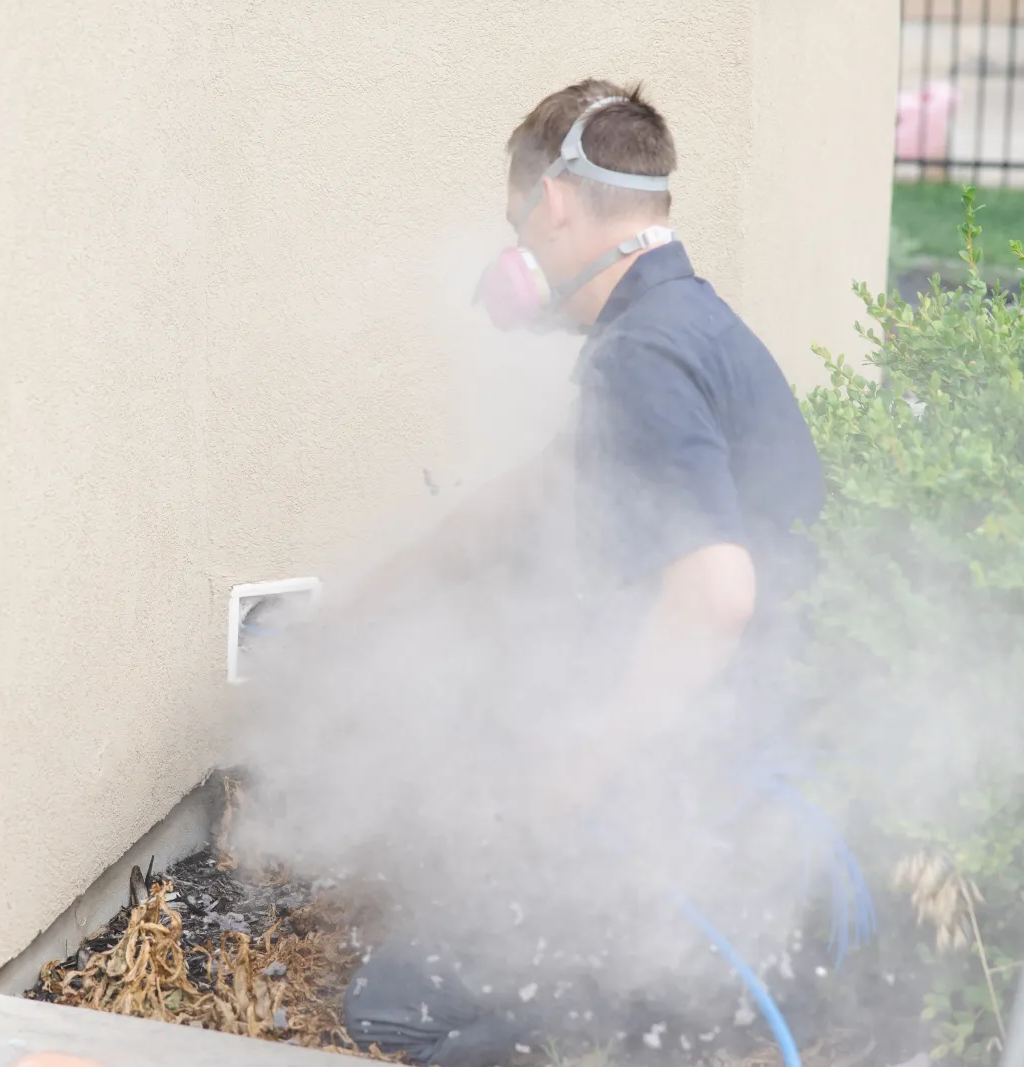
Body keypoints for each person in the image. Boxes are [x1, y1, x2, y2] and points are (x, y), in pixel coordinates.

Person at [340, 79, 828, 1066]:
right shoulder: (684, 322)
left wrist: (584, 759)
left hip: (696, 830)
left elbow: (714, 591)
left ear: (553, 204)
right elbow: (546, 483)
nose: (515, 246)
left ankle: (616, 1025)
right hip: (752, 807)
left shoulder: (638, 353)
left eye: (514, 217)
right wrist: (382, 593)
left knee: (390, 1011)